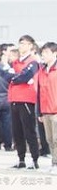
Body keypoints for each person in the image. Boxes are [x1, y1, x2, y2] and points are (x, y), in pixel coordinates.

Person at [6, 35, 40, 169]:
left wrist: (14, 77)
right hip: (14, 99)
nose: (21, 46)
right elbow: (6, 76)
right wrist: (16, 77)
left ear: (31, 45)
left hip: (26, 99)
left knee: (29, 131)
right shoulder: (16, 62)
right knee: (17, 132)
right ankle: (21, 159)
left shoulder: (33, 61)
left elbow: (25, 77)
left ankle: (35, 159)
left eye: (24, 43)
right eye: (20, 43)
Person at [38, 42, 57, 174]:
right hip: (45, 110)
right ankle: (54, 162)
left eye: (46, 52)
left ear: (55, 53)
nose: (43, 55)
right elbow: (39, 92)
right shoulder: (42, 70)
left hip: (55, 110)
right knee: (49, 139)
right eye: (42, 52)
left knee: (56, 139)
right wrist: (39, 111)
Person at [0, 43, 13, 151]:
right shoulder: (9, 67)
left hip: (0, 97)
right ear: (4, 52)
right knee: (5, 123)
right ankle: (7, 145)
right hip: (4, 97)